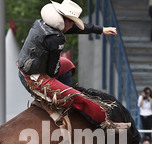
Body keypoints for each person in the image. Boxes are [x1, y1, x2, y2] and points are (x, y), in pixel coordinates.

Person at [17, 0, 124, 129]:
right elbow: (53, 72)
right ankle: (103, 123)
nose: (73, 26)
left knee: (67, 63)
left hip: (28, 71)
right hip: (35, 80)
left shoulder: (43, 23)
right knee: (79, 97)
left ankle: (62, 100)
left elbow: (77, 28)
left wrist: (101, 30)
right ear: (65, 20)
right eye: (73, 21)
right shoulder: (55, 38)